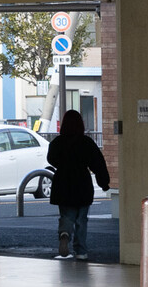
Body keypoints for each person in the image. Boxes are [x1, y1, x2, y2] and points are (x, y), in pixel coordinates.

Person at [46, 109, 110, 260]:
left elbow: (51, 158)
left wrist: (62, 165)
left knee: (67, 216)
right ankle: (81, 251)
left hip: (63, 183)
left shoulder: (57, 142)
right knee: (81, 219)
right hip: (82, 183)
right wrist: (104, 183)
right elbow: (98, 164)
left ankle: (64, 234)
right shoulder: (86, 143)